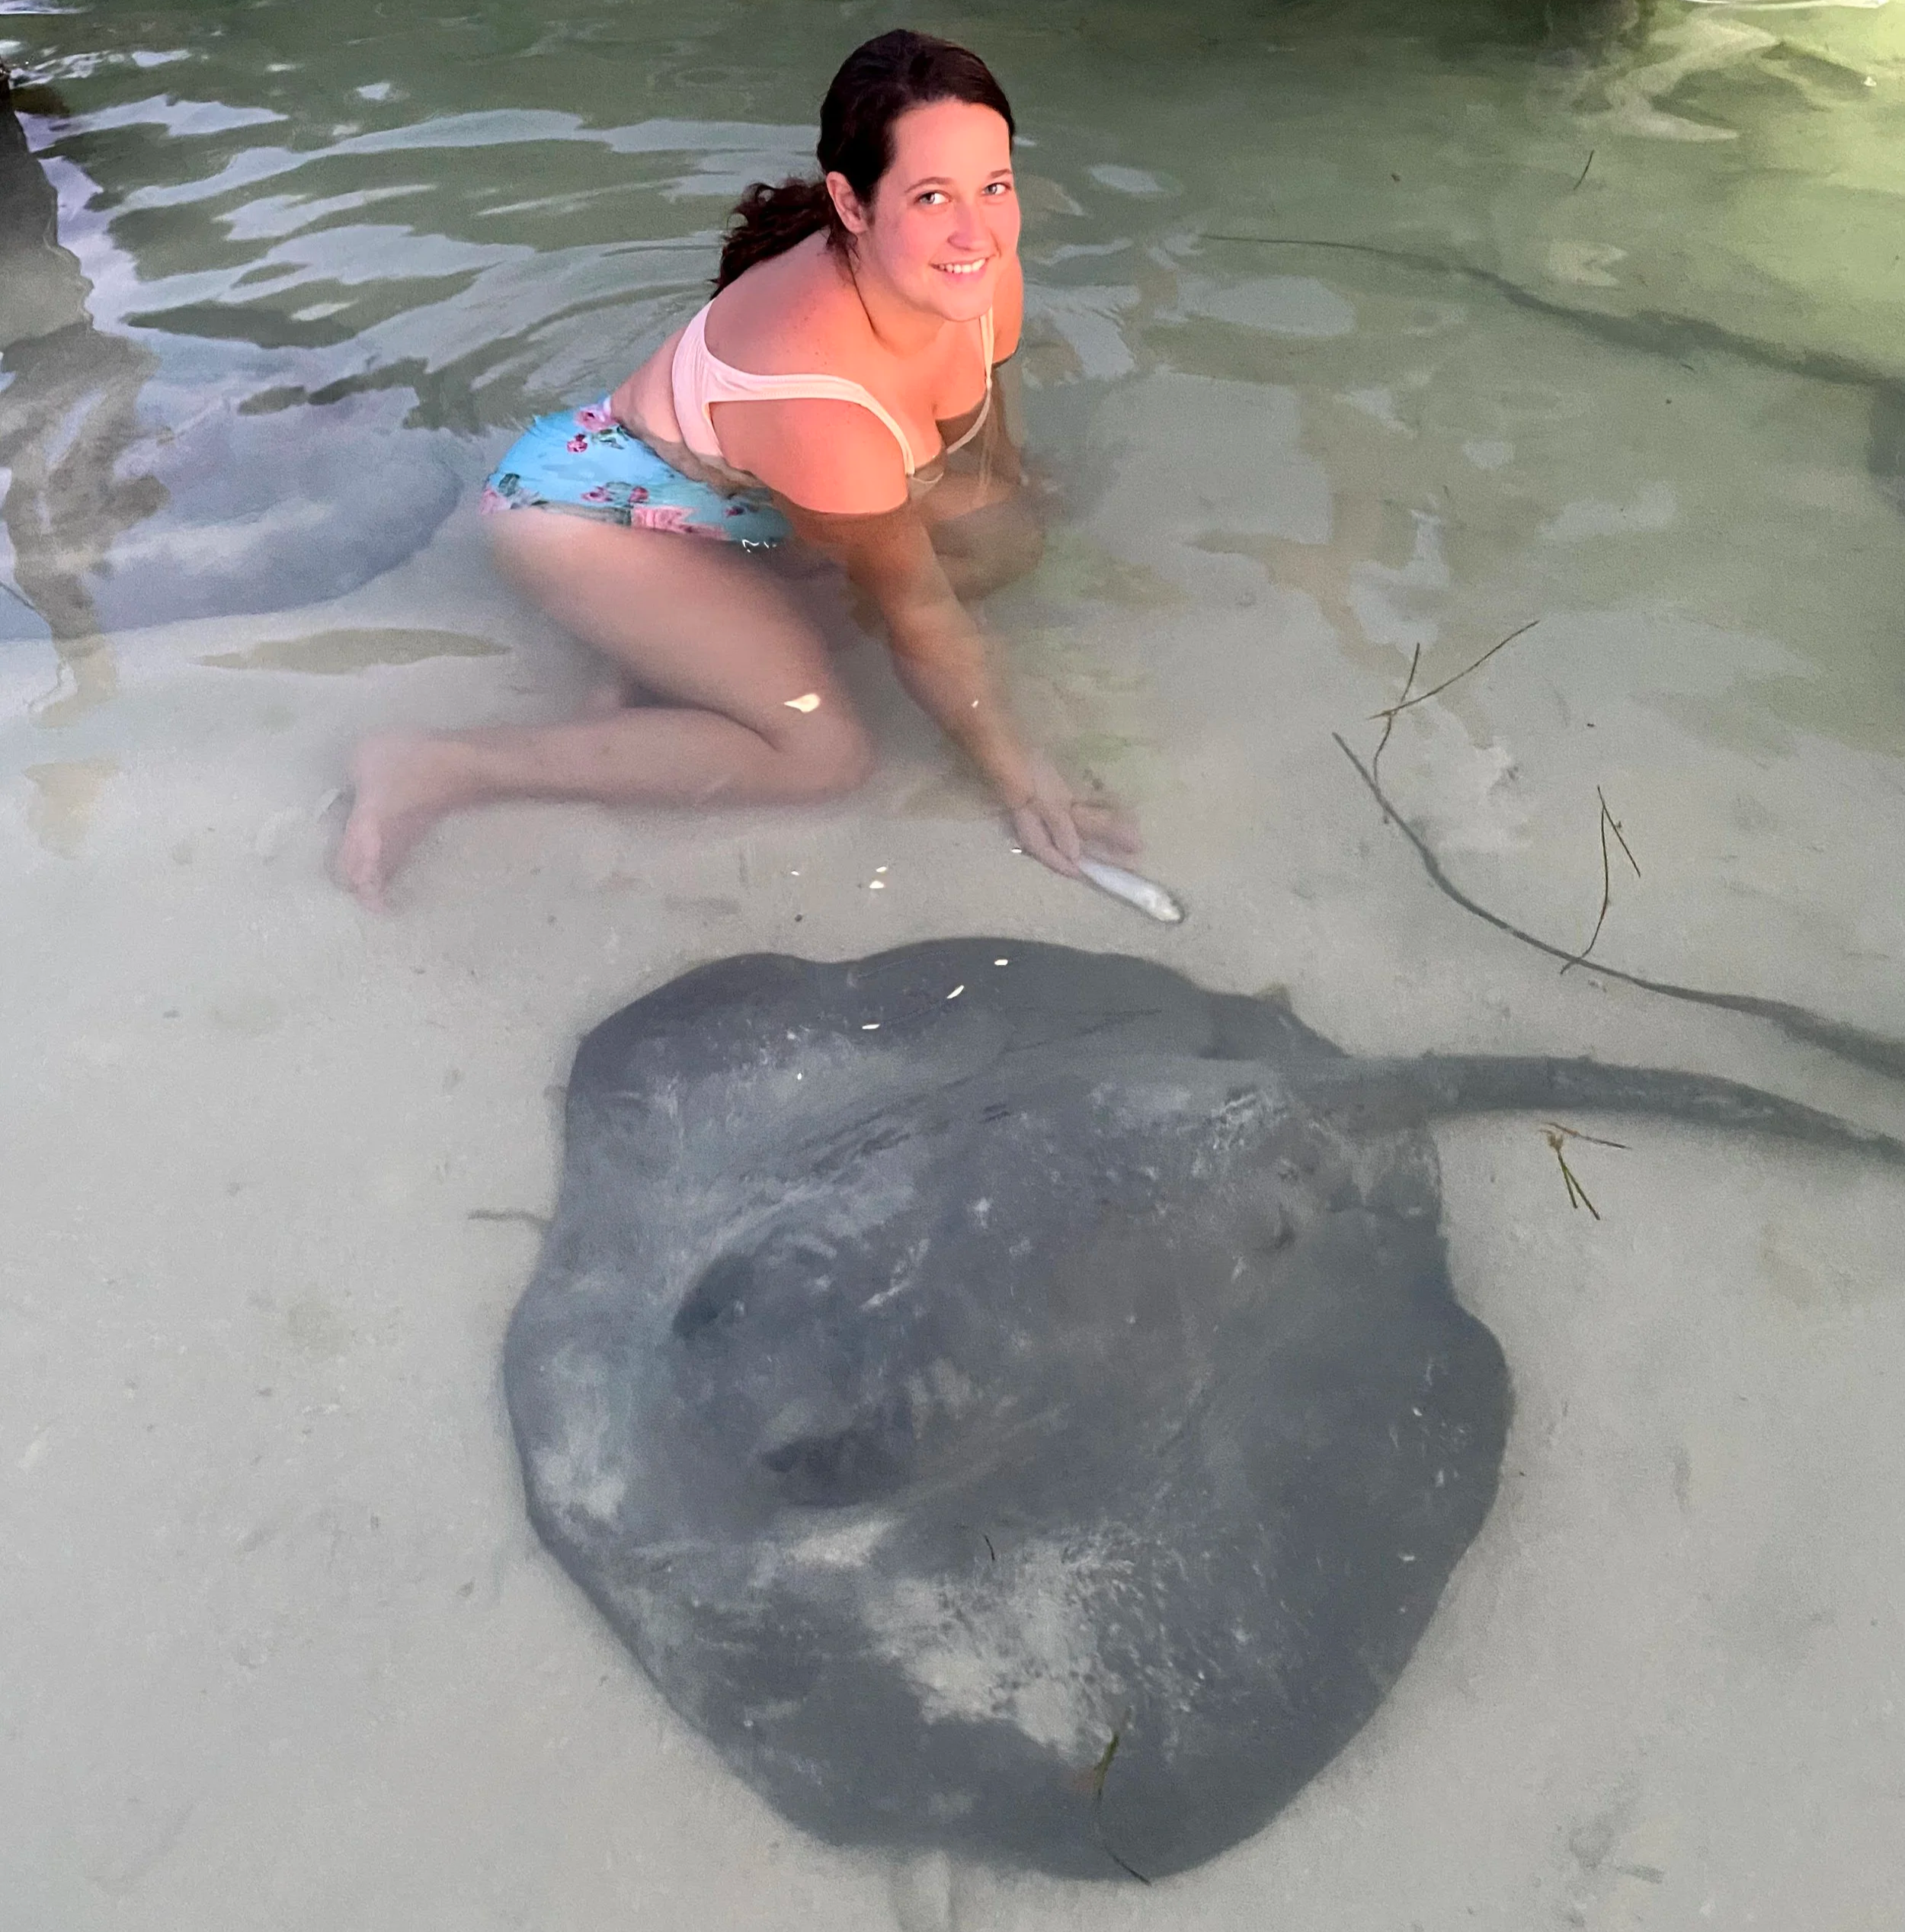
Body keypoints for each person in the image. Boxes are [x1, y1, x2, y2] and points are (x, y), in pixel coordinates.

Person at [335, 28, 1138, 906]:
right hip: (584, 516)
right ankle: (439, 764)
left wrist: (1007, 500)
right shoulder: (822, 401)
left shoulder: (975, 269)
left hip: (739, 499)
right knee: (824, 756)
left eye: (994, 186)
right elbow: (918, 616)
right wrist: (1020, 774)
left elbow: (980, 444)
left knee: (1004, 532)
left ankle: (669, 662)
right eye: (932, 196)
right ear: (853, 202)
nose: (974, 230)